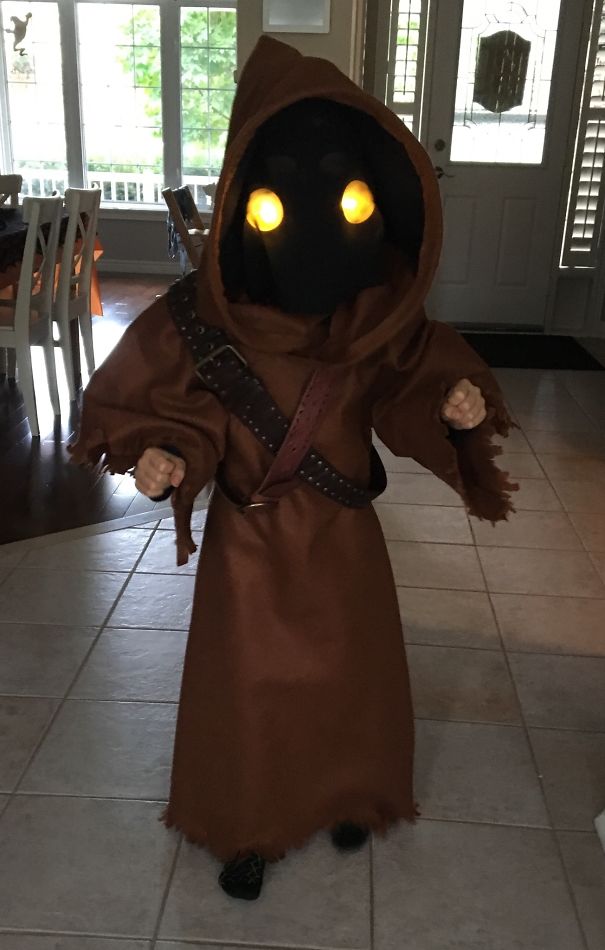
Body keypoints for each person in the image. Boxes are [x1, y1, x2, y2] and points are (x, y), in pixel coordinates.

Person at [70, 36, 517, 901]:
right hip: (253, 540)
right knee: (252, 687)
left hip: (343, 536)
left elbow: (407, 379)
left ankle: (346, 791)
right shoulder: (204, 321)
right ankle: (247, 823)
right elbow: (180, 409)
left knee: (350, 676)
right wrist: (168, 452)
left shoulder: (372, 317)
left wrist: (449, 404)